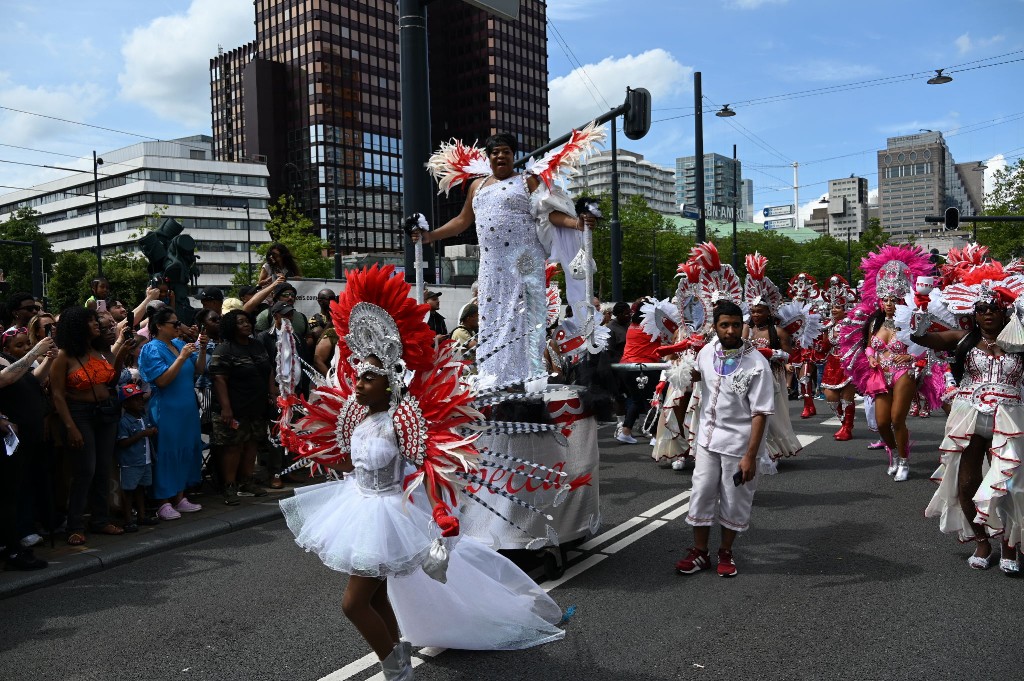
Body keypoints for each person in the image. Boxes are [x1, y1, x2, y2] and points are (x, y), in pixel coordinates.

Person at [278, 264, 564, 680]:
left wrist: (441, 512)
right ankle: (400, 660)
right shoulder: (357, 417)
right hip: (359, 506)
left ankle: (395, 670)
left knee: (353, 604)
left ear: (391, 384)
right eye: (358, 376)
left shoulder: (404, 421)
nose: (359, 383)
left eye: (370, 378)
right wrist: (305, 448)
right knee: (373, 599)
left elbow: (430, 469)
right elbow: (352, 465)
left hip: (388, 515)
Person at [413, 132, 595, 388]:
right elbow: (462, 221)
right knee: (493, 322)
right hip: (491, 269)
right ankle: (494, 382)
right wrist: (430, 236)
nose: (500, 156)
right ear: (488, 158)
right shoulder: (477, 186)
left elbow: (550, 214)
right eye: (495, 152)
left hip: (524, 265)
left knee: (523, 322)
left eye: (506, 152)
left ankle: (525, 383)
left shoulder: (527, 180)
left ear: (513, 156)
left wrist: (577, 223)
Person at [912, 265, 1024, 573]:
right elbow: (923, 339)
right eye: (982, 309)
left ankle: (1010, 546)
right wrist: (922, 311)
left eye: (994, 309)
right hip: (970, 415)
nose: (988, 314)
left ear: (1006, 313)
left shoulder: (1020, 341)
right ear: (974, 313)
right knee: (967, 481)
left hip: (1011, 418)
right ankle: (982, 541)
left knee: (1011, 484)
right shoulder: (963, 339)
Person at [675, 301, 773, 578]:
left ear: (743, 326)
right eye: (724, 325)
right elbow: (697, 377)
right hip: (707, 439)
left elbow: (760, 413)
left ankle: (726, 552)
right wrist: (681, 372)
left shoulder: (757, 363)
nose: (730, 330)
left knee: (734, 499)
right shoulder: (706, 352)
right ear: (715, 327)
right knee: (701, 493)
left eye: (735, 325)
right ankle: (700, 553)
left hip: (739, 444)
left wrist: (751, 456)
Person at [839, 246, 942, 482]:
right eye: (885, 298)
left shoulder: (912, 321)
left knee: (897, 419)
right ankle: (894, 453)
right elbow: (867, 346)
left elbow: (929, 347)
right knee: (882, 423)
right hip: (879, 374)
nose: (888, 303)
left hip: (904, 373)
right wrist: (870, 356)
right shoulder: (874, 322)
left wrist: (911, 357)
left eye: (894, 299)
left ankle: (905, 461)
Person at [50, 306, 128, 545]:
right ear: (78, 326)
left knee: (103, 468)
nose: (98, 325)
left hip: (105, 413)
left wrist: (122, 352)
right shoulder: (64, 356)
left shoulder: (99, 351)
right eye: (92, 322)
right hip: (79, 415)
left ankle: (100, 520)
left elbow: (111, 380)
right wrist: (70, 426)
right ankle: (74, 525)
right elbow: (58, 395)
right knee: (85, 471)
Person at [138, 307, 207, 520]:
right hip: (166, 408)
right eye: (174, 324)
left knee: (185, 448)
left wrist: (201, 349)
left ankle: (179, 496)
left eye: (179, 323)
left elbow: (199, 370)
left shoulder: (178, 344)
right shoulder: (151, 349)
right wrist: (181, 358)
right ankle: (162, 500)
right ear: (159, 326)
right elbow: (162, 381)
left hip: (186, 407)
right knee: (167, 452)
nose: (179, 327)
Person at [0, 328, 56, 565]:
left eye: (26, 344)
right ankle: (13, 550)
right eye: (18, 345)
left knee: (16, 492)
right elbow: (6, 378)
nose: (24, 349)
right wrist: (35, 351)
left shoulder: (13, 360)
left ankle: (12, 545)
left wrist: (48, 359)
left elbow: (31, 380)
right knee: (7, 497)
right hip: (8, 441)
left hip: (25, 439)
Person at [209, 309, 275, 504]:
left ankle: (247, 481)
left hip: (256, 406)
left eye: (247, 321)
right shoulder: (225, 349)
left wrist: (271, 393)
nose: (246, 325)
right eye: (240, 322)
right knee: (233, 447)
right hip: (234, 408)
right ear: (231, 327)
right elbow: (219, 379)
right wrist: (226, 408)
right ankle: (230, 486)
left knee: (252, 443)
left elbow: (269, 370)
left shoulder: (257, 345)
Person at [816, 276, 858, 441]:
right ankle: (843, 422)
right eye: (833, 307)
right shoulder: (828, 326)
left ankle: (847, 427)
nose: (834, 310)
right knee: (830, 397)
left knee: (847, 398)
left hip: (848, 363)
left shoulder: (852, 324)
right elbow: (825, 347)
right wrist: (816, 345)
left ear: (845, 309)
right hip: (832, 364)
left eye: (838, 307)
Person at [115, 383, 157, 532]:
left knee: (141, 489)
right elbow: (122, 442)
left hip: (145, 460)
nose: (140, 401)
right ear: (126, 404)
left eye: (140, 398)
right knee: (128, 491)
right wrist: (141, 434)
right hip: (130, 463)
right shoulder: (124, 422)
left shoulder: (143, 417)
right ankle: (128, 520)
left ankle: (142, 515)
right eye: (135, 399)